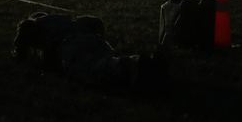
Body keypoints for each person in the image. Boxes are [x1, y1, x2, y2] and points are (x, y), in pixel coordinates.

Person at [13, 12, 166, 94]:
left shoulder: (36, 24)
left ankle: (132, 64)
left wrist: (19, 53)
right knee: (111, 58)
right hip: (92, 38)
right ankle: (145, 63)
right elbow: (95, 21)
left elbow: (24, 32)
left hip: (68, 44)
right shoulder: (65, 19)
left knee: (91, 70)